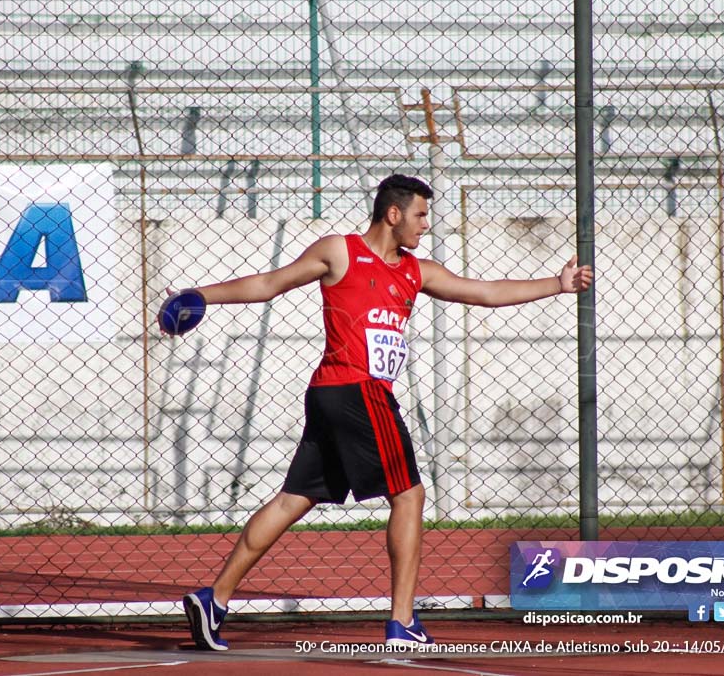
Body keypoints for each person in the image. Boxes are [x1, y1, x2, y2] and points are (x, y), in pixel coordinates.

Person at [168, 174, 593, 651]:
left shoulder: (416, 271)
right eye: (420, 215)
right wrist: (202, 294)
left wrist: (557, 285)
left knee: (294, 499)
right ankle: (402, 621)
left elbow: (485, 292)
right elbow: (270, 283)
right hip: (356, 391)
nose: (425, 225)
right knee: (410, 496)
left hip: (332, 395)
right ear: (394, 214)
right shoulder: (340, 251)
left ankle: (214, 599)